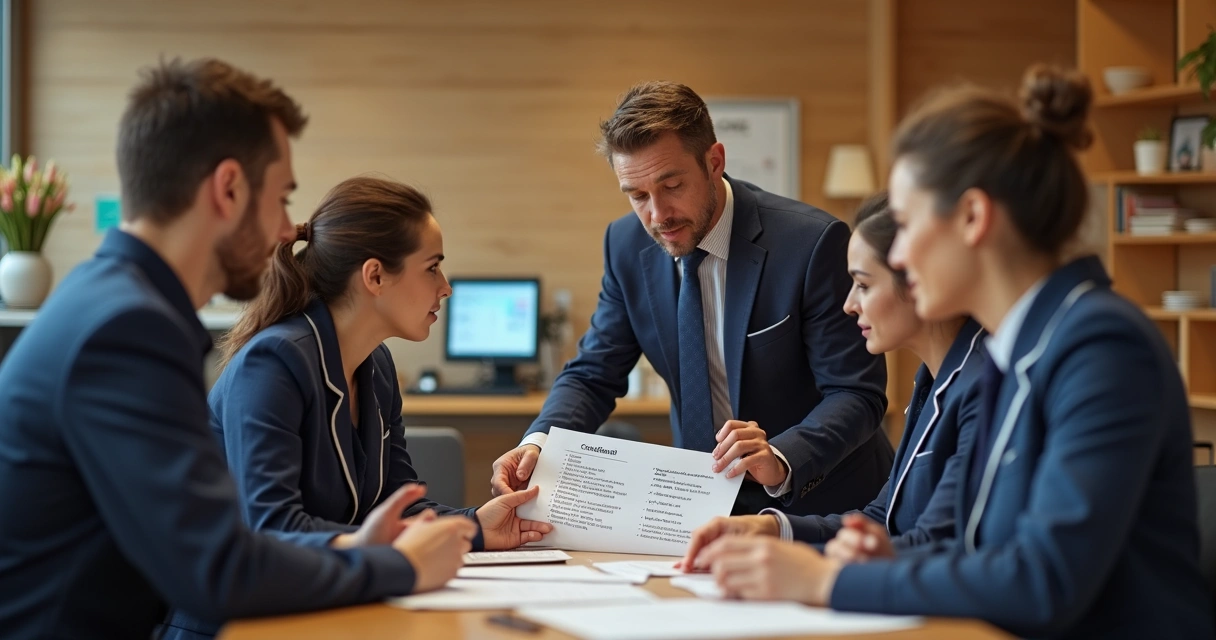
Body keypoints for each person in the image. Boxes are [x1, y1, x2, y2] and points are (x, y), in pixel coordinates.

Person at [690, 65, 1214, 638]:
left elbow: (1045, 580)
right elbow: (961, 543)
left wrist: (824, 581)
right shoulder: (1015, 354)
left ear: (971, 218)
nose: (902, 255)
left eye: (909, 226)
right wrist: (857, 555)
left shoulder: (1102, 349)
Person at [0, 58, 478, 640]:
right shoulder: (127, 331)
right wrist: (395, 565)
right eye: (281, 199)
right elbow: (216, 567)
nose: (287, 231)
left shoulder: (112, 302)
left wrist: (375, 546)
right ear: (228, 188)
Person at [160, 176, 553, 639]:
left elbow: (397, 502)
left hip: (325, 608)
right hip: (235, 623)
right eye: (432, 268)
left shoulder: (376, 366)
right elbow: (271, 525)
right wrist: (389, 557)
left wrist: (476, 527)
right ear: (375, 276)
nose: (445, 288)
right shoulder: (272, 364)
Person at [491, 81, 891, 516]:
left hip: (822, 503)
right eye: (638, 196)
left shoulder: (810, 244)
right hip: (701, 506)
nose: (658, 216)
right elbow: (592, 374)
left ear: (714, 162)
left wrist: (780, 457)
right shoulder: (626, 246)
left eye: (673, 185)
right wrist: (539, 442)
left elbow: (856, 393)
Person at [677, 192, 985, 567]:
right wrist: (774, 531)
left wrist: (811, 573)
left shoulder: (981, 390)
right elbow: (884, 524)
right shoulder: (932, 381)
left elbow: (936, 548)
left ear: (920, 278)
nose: (849, 304)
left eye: (864, 285)